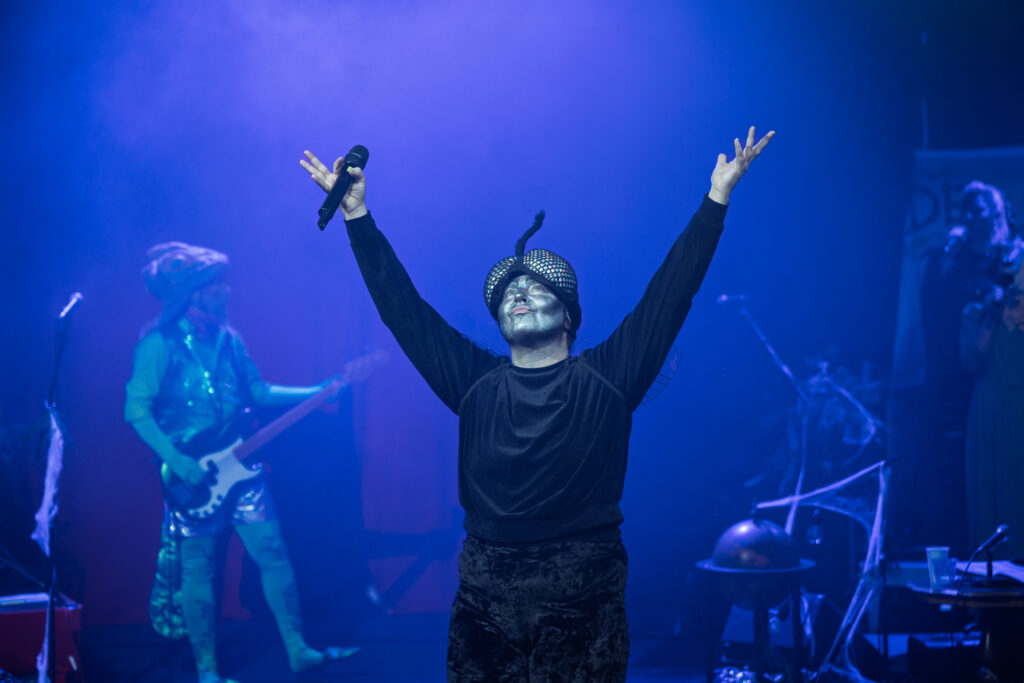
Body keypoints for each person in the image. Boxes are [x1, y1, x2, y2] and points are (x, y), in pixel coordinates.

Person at [301, 126, 772, 681]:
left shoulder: (608, 377)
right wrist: (357, 216)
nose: (517, 294)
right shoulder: (473, 382)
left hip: (582, 590)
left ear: (569, 316)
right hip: (484, 590)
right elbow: (403, 309)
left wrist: (715, 199)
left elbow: (669, 294)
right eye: (507, 294)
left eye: (535, 289)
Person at [124, 242, 355, 683]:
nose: (226, 292)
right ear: (192, 294)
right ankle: (207, 672)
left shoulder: (230, 340)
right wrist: (177, 461)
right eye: (216, 286)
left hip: (243, 472)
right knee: (198, 569)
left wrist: (320, 390)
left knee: (273, 552)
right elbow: (136, 410)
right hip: (192, 476)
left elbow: (259, 391)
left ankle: (298, 650)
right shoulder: (158, 344)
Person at [961, 259, 1024, 559]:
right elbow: (973, 360)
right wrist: (994, 315)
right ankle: (990, 563)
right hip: (989, 411)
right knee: (988, 488)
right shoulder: (976, 312)